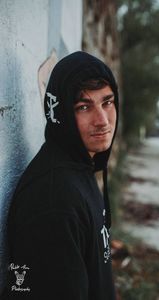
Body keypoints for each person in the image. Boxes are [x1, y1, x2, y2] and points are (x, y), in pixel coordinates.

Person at [2, 51, 119, 300]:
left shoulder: (80, 164)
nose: (102, 120)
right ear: (61, 114)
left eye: (107, 102)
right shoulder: (53, 201)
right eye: (84, 107)